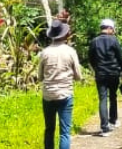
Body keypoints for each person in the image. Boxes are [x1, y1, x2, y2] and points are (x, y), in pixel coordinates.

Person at [39, 19, 82, 149]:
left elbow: (40, 76)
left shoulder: (44, 53)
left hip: (48, 95)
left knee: (49, 129)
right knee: (64, 133)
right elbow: (78, 76)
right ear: (64, 35)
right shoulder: (70, 52)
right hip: (65, 95)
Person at [88, 18, 122, 136]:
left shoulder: (94, 41)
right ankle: (113, 120)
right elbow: (120, 57)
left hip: (100, 74)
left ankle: (104, 128)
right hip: (114, 73)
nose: (114, 31)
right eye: (113, 29)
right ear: (109, 28)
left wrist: (97, 69)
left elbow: (91, 58)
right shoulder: (114, 40)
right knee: (113, 96)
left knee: (103, 99)